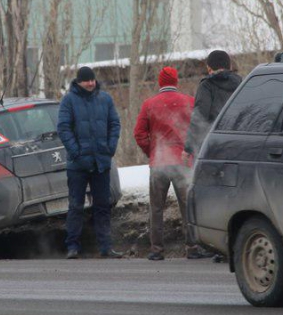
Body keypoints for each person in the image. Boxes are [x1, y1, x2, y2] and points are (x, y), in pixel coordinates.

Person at [134, 66, 205, 260]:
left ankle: (156, 250)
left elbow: (139, 134)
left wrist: (153, 152)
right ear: (176, 82)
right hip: (182, 162)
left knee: (156, 208)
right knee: (187, 205)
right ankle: (192, 248)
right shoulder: (189, 102)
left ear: (160, 82)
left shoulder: (149, 104)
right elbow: (198, 130)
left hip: (159, 162)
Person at [57, 66, 123, 259]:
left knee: (102, 206)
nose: (90, 83)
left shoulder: (105, 99)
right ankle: (72, 247)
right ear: (78, 82)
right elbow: (63, 128)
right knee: (76, 206)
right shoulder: (69, 100)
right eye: (86, 80)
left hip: (101, 162)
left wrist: (110, 148)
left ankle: (105, 247)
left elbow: (114, 124)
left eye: (92, 80)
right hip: (77, 166)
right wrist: (76, 153)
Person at [182, 50, 242, 163]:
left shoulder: (207, 86)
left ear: (209, 69)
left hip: (211, 148)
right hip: (237, 145)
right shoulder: (242, 84)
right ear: (230, 66)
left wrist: (188, 148)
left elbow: (199, 118)